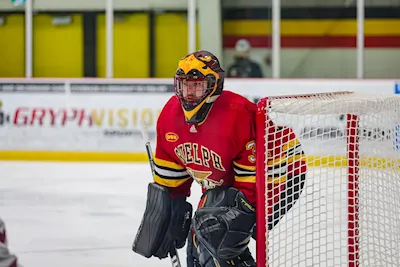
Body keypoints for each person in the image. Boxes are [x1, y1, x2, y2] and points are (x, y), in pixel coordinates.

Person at [132, 50, 306, 267]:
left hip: (280, 171)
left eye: (196, 85)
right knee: (199, 244)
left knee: (216, 238)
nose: (189, 92)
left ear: (214, 85)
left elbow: (250, 183)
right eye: (184, 84)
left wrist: (242, 223)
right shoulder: (169, 116)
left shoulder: (236, 114)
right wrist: (169, 214)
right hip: (227, 183)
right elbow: (170, 177)